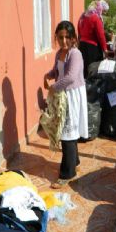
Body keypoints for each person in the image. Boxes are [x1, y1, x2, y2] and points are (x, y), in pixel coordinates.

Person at [44, 21, 88, 189]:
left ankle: (67, 173)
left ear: (73, 38)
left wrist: (53, 87)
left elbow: (70, 77)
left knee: (67, 133)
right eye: (60, 37)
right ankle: (74, 160)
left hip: (72, 94)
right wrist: (48, 75)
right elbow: (57, 71)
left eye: (67, 37)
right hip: (63, 94)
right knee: (67, 129)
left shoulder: (75, 54)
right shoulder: (59, 53)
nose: (63, 41)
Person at [78, 0, 110, 78]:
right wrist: (105, 49)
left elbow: (79, 29)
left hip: (82, 46)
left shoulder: (83, 16)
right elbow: (100, 35)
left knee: (84, 69)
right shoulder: (96, 18)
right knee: (94, 70)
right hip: (93, 48)